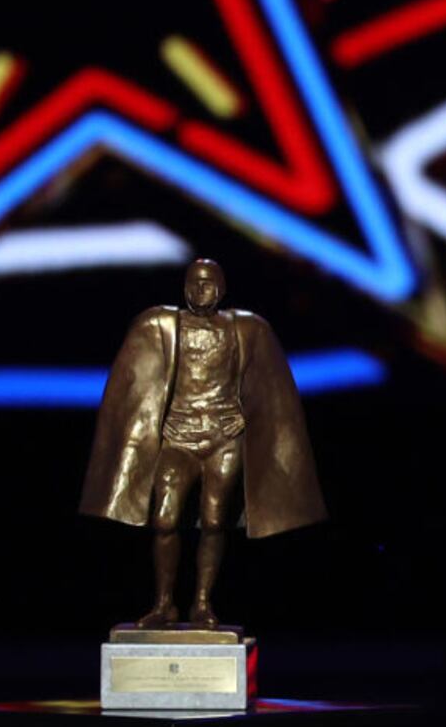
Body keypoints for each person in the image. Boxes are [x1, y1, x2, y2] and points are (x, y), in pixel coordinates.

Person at [80, 259, 325, 629]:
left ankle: (202, 603)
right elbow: (133, 383)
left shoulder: (245, 328)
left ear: (222, 289)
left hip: (223, 438)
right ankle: (164, 603)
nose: (200, 290)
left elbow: (271, 390)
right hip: (178, 437)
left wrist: (245, 418)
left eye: (208, 283)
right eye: (194, 283)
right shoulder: (164, 325)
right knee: (165, 519)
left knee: (214, 521)